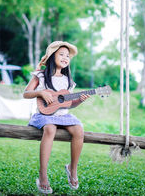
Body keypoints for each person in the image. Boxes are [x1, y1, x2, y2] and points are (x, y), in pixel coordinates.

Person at [23, 41, 90, 194]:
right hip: (44, 116)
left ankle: (72, 169)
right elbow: (26, 94)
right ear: (52, 56)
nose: (65, 57)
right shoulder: (40, 75)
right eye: (62, 54)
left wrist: (79, 100)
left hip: (62, 116)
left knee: (79, 130)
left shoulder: (68, 81)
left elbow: (68, 104)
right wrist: (41, 93)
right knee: (50, 129)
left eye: (68, 56)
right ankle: (43, 175)